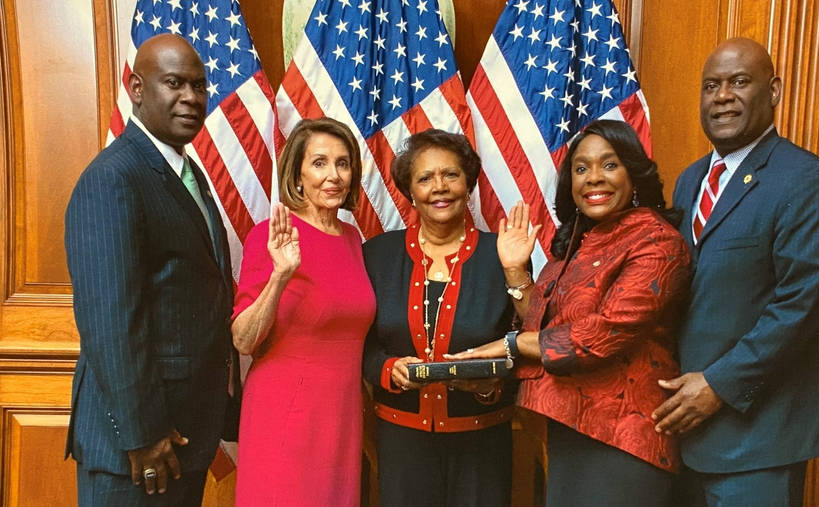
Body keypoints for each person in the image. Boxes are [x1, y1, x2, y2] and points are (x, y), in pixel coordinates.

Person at [447, 119, 691, 506]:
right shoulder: (579, 242)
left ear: (635, 174)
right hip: (569, 428)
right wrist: (515, 270)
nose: (594, 178)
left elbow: (603, 333)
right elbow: (545, 327)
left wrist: (508, 345)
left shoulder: (657, 241)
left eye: (610, 165)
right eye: (581, 168)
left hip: (625, 438)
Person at [650, 38, 819, 506]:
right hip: (683, 437)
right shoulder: (690, 180)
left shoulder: (804, 180)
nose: (722, 96)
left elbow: (798, 306)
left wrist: (720, 384)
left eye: (739, 82)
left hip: (759, 440)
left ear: (774, 90)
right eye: (711, 86)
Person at [64, 34, 238, 505]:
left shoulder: (186, 171)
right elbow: (109, 322)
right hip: (138, 448)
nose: (190, 98)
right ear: (137, 89)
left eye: (200, 87)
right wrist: (143, 434)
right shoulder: (113, 178)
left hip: (184, 435)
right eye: (174, 83)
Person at [362, 129, 538, 506]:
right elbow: (360, 342)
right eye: (425, 178)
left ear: (469, 184)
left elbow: (538, 336)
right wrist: (387, 368)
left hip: (483, 441)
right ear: (410, 191)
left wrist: (514, 271)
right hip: (401, 442)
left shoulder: (502, 253)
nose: (439, 187)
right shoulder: (377, 256)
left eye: (451, 175)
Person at [231, 117, 374, 506]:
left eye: (343, 164)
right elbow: (243, 339)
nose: (333, 176)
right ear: (297, 174)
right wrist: (280, 275)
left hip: (341, 419)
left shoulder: (352, 239)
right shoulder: (271, 235)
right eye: (320, 163)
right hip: (285, 416)